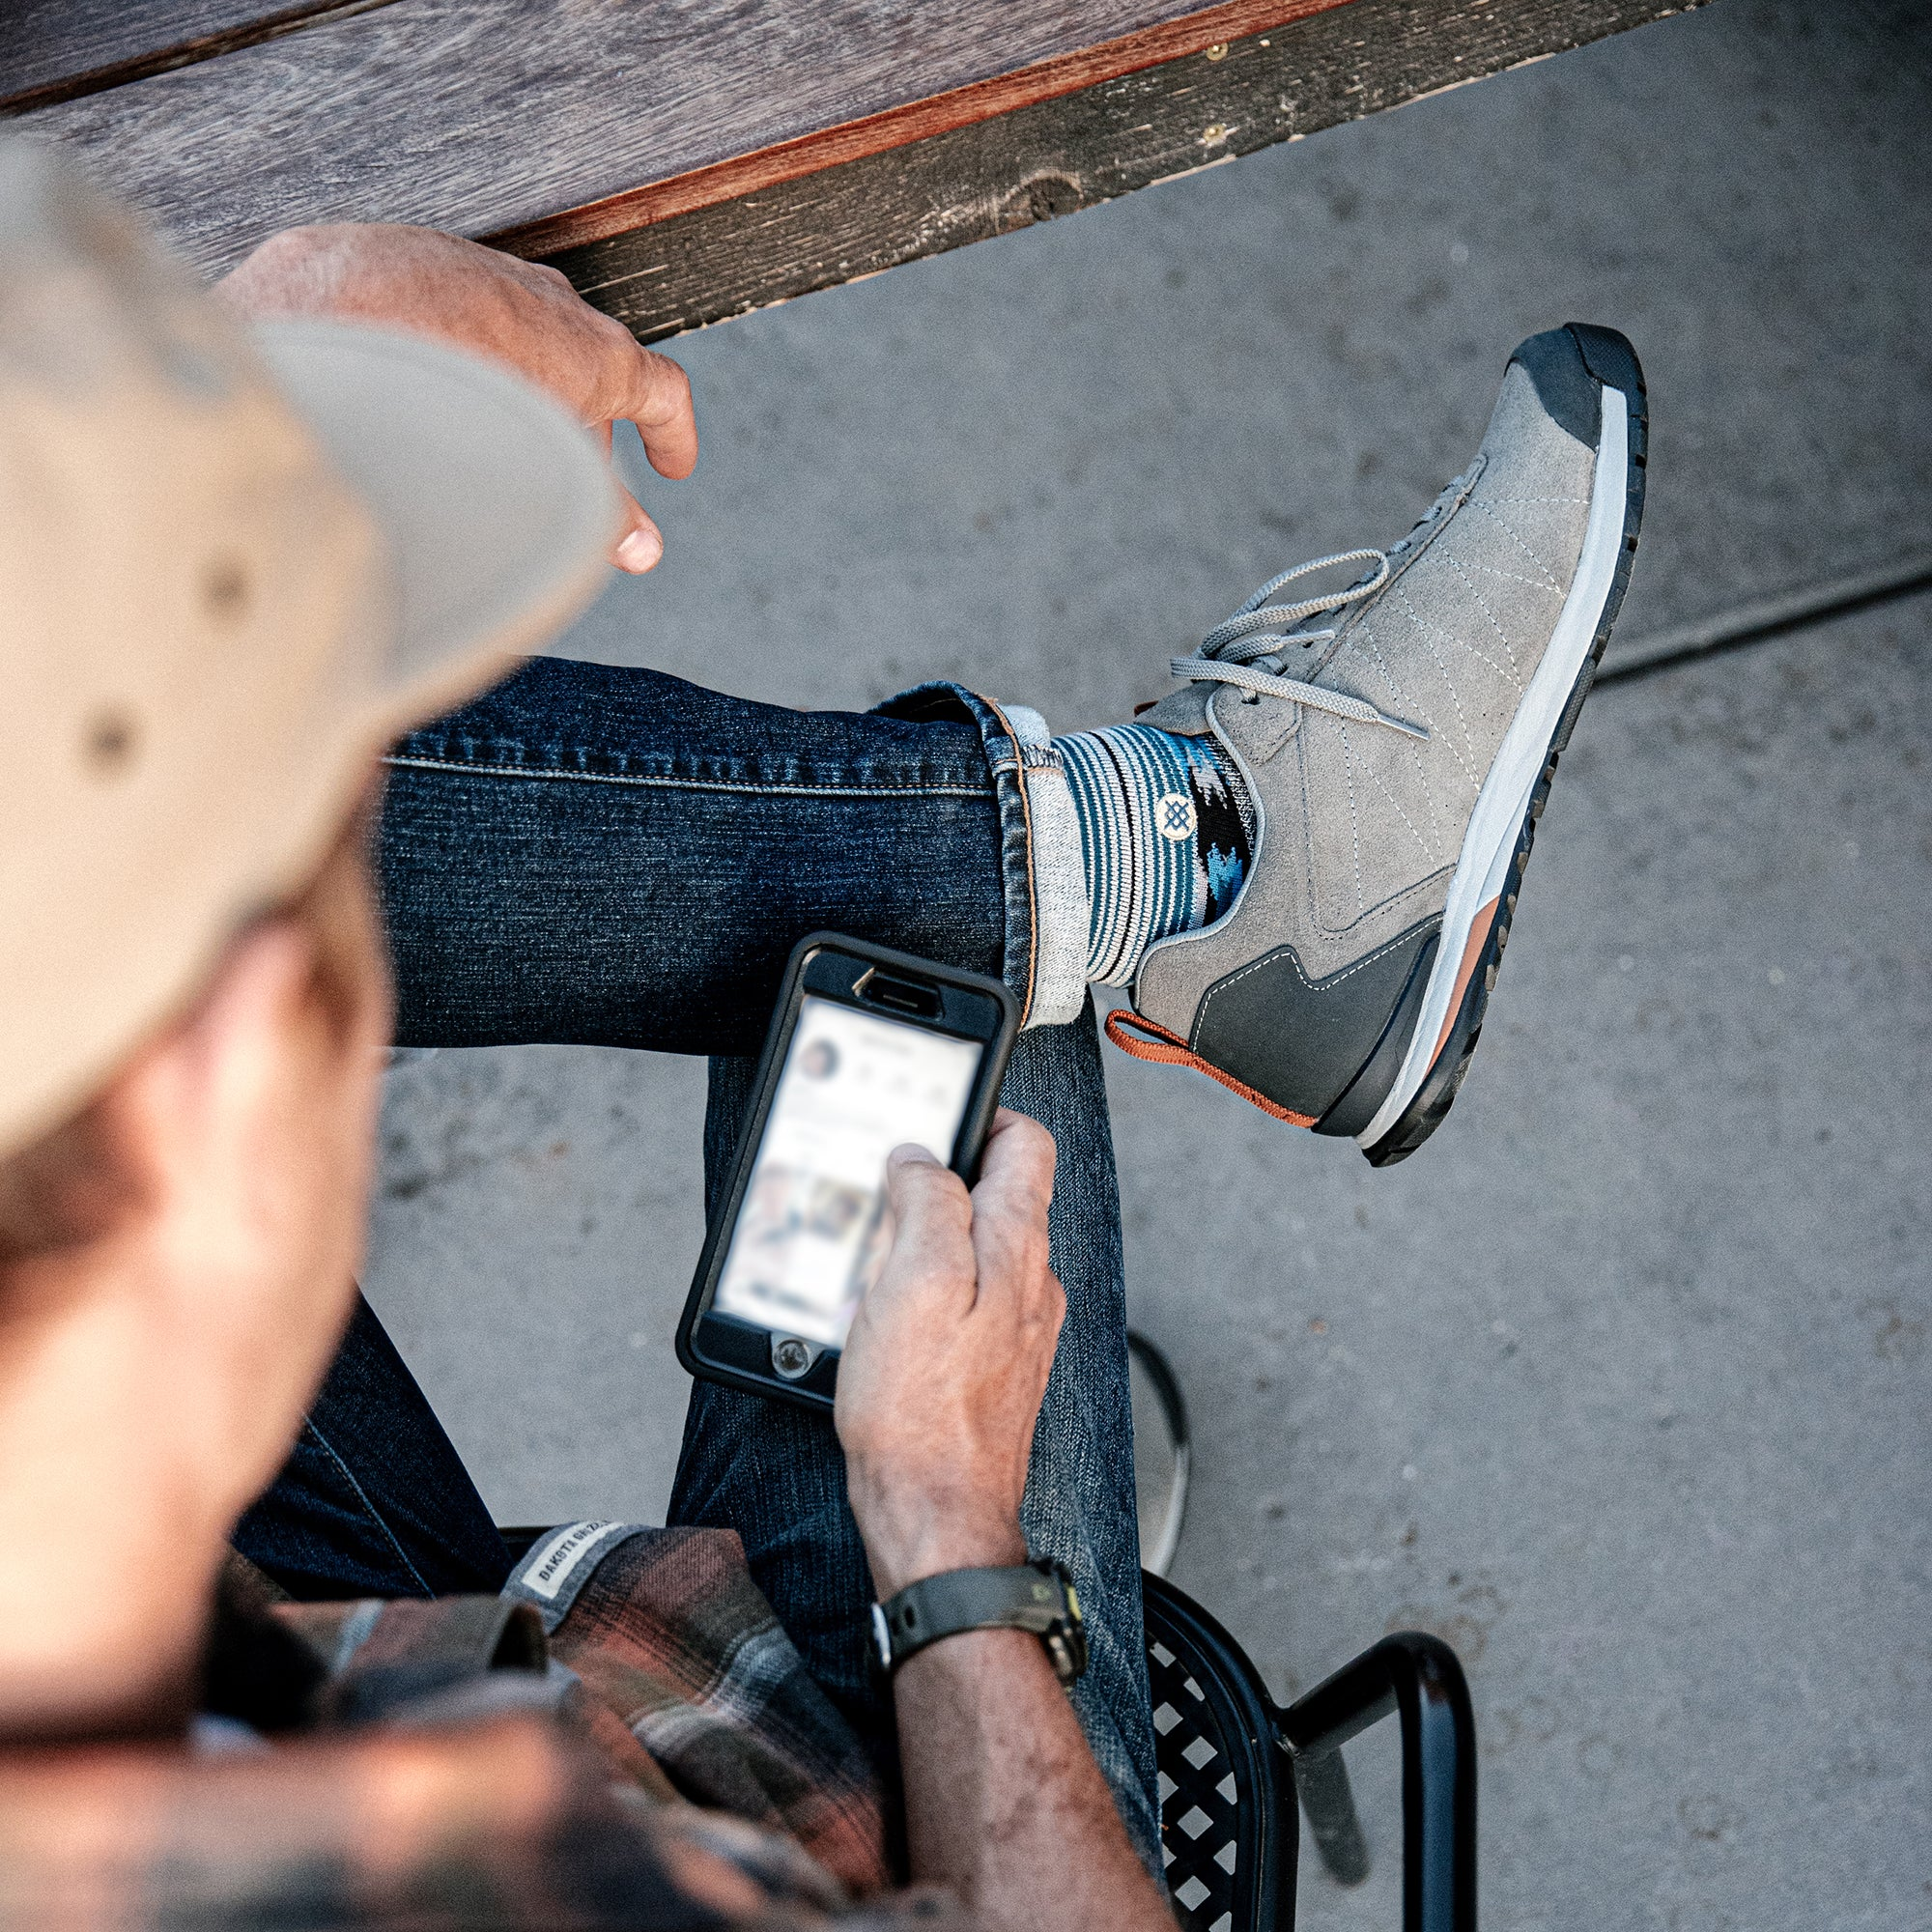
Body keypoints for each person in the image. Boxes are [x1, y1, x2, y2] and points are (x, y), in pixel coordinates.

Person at [0, 132, 1645, 1927]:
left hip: (300, 1651)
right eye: (315, 961)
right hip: (799, 1798)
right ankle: (1198, 876)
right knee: (918, 961)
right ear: (235, 1085)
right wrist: (943, 1531)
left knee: (145, 786)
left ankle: (1151, 880)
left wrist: (238, 422)